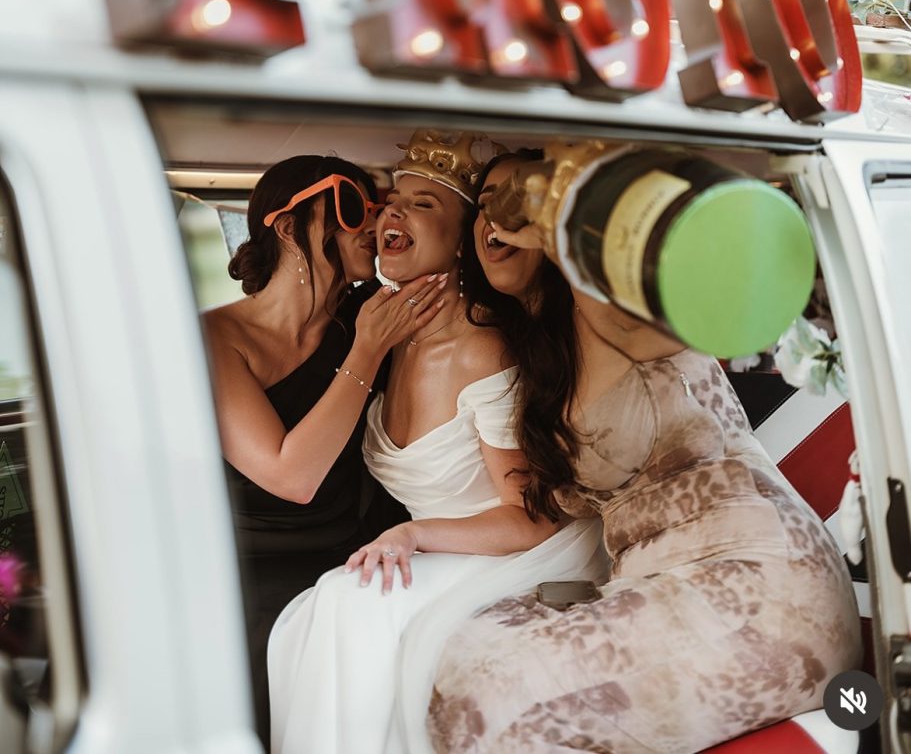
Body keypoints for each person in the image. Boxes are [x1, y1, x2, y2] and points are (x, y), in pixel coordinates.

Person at [427, 148, 863, 753]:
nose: (494, 216)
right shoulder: (533, 362)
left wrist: (557, 221)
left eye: (515, 194)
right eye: (484, 203)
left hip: (761, 583)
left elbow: (711, 296)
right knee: (474, 641)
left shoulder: (623, 306)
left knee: (492, 685)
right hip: (662, 580)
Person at [267, 133, 608, 754]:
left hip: (517, 550)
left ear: (463, 240)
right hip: (444, 554)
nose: (391, 212)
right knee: (324, 608)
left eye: (423, 204)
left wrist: (413, 535)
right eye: (392, 200)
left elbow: (531, 520)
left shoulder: (485, 349)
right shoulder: (380, 331)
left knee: (350, 601)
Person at [203, 154, 446, 742]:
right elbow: (292, 476)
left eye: (380, 204)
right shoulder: (216, 338)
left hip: (353, 552)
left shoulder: (372, 317)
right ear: (287, 227)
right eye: (351, 205)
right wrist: (364, 353)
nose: (373, 221)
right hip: (251, 573)